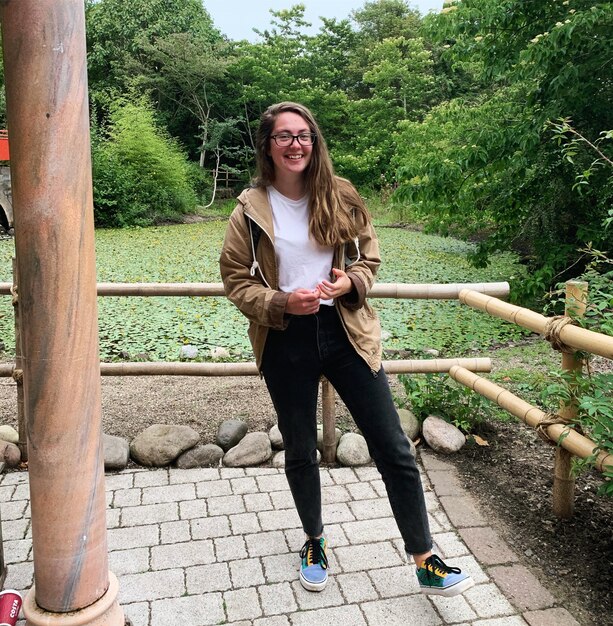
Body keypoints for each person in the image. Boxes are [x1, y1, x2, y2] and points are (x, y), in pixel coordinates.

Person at [219, 101, 474, 597]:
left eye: (304, 136)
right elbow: (234, 280)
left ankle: (425, 557)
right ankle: (313, 540)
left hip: (347, 332)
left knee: (393, 445)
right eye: (284, 137)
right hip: (285, 339)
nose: (296, 145)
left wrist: (349, 283)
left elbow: (368, 259)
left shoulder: (341, 195)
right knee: (299, 447)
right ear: (267, 147)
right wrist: (280, 301)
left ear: (315, 142)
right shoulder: (249, 209)